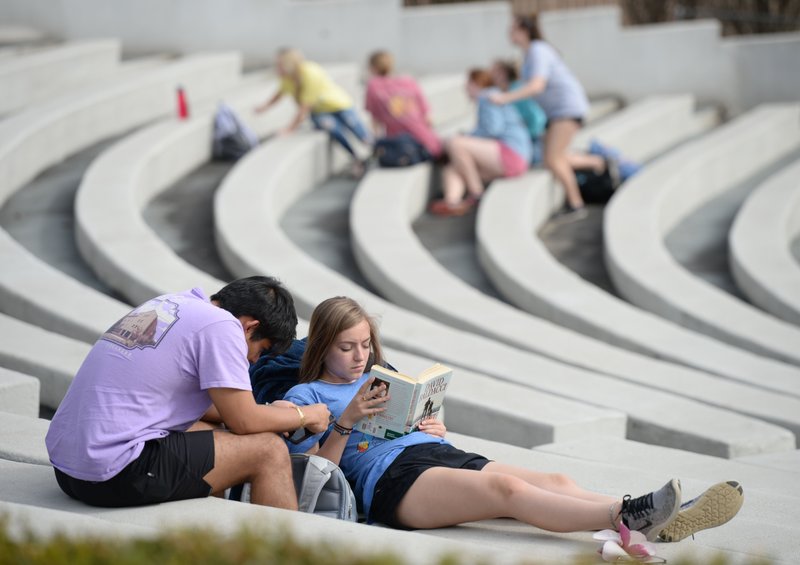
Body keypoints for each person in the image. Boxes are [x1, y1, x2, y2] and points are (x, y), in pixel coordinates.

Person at [282, 296, 744, 540]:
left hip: (433, 452)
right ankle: (629, 516)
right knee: (509, 492)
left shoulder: (384, 375)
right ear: (322, 345)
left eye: (365, 345)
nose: (360, 356)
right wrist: (348, 419)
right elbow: (316, 474)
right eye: (347, 347)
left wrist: (432, 425)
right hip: (389, 482)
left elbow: (409, 424)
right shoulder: (305, 395)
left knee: (556, 479)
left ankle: (661, 515)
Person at [45, 276, 331, 509]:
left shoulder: (171, 304)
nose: (254, 361)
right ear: (250, 327)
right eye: (261, 350)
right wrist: (304, 415)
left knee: (210, 428)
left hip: (69, 468)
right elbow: (244, 422)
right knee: (268, 450)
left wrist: (272, 413)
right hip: (113, 473)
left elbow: (217, 412)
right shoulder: (224, 326)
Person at [491, 13, 595, 219]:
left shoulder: (538, 50)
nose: (509, 33)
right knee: (552, 158)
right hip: (557, 113)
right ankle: (597, 162)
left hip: (567, 110)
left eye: (513, 29)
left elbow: (537, 85)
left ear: (524, 30)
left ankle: (576, 204)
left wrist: (506, 98)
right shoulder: (529, 54)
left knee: (553, 158)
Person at [429, 69, 533, 217]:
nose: (465, 89)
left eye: (467, 84)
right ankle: (452, 202)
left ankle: (476, 192)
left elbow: (493, 129)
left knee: (455, 143)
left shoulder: (487, 96)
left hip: (511, 154)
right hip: (514, 158)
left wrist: (467, 137)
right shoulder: (493, 94)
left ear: (475, 83)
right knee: (453, 166)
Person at [255, 48, 372, 176]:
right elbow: (279, 94)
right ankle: (356, 158)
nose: (277, 68)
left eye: (280, 65)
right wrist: (264, 107)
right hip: (320, 111)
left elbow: (305, 107)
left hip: (338, 104)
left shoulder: (310, 73)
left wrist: (290, 129)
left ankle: (375, 151)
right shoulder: (287, 78)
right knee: (334, 129)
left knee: (354, 126)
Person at [364, 50, 443, 162]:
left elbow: (375, 123)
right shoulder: (409, 81)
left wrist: (377, 145)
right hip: (428, 143)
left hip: (402, 146)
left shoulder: (373, 86)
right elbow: (428, 119)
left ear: (373, 68)